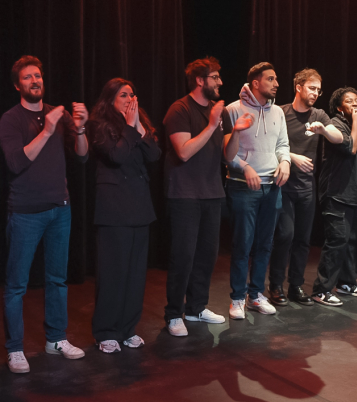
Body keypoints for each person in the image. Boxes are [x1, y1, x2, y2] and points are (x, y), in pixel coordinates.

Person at [0, 55, 88, 373]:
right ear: (17, 85)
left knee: (57, 279)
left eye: (38, 76)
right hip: (25, 213)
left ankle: (56, 339)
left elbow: (83, 156)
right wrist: (48, 131)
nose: (35, 81)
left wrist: (79, 129)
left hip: (60, 209)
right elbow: (17, 163)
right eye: (27, 78)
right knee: (17, 285)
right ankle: (15, 349)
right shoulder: (10, 120)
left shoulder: (55, 115)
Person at [163, 57, 254, 336]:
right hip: (184, 195)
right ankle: (174, 313)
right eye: (215, 77)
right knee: (184, 256)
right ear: (200, 80)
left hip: (212, 192)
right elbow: (184, 151)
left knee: (207, 255)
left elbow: (227, 157)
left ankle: (196, 308)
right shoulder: (179, 109)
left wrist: (235, 132)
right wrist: (212, 124)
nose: (220, 82)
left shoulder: (222, 114)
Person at [88, 78, 161, 353]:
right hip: (114, 209)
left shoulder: (137, 126)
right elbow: (116, 157)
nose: (130, 99)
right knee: (113, 272)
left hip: (139, 207)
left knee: (135, 274)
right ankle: (106, 331)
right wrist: (130, 127)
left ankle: (128, 329)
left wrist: (140, 127)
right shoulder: (100, 126)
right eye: (123, 95)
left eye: (132, 94)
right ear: (110, 100)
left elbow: (154, 154)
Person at [269, 69, 342, 307]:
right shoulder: (280, 112)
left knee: (302, 238)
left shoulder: (318, 114)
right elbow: (268, 145)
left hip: (306, 187)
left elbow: (337, 137)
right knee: (285, 235)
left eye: (319, 90)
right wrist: (292, 157)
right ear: (298, 87)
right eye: (312, 88)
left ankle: (296, 286)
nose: (316, 93)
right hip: (282, 184)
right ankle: (276, 285)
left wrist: (323, 130)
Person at [225, 62, 291, 319]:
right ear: (256, 83)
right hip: (243, 187)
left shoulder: (278, 112)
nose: (276, 83)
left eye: (276, 79)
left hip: (272, 187)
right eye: (271, 79)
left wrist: (284, 161)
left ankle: (255, 295)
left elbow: (283, 144)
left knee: (265, 244)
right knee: (243, 243)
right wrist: (245, 167)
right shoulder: (233, 109)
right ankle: (237, 298)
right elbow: (227, 153)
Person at [312, 88, 357, 306]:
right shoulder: (336, 124)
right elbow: (351, 148)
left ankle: (346, 282)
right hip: (338, 194)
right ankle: (321, 289)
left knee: (354, 240)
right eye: (350, 102)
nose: (356, 104)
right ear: (340, 108)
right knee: (337, 241)